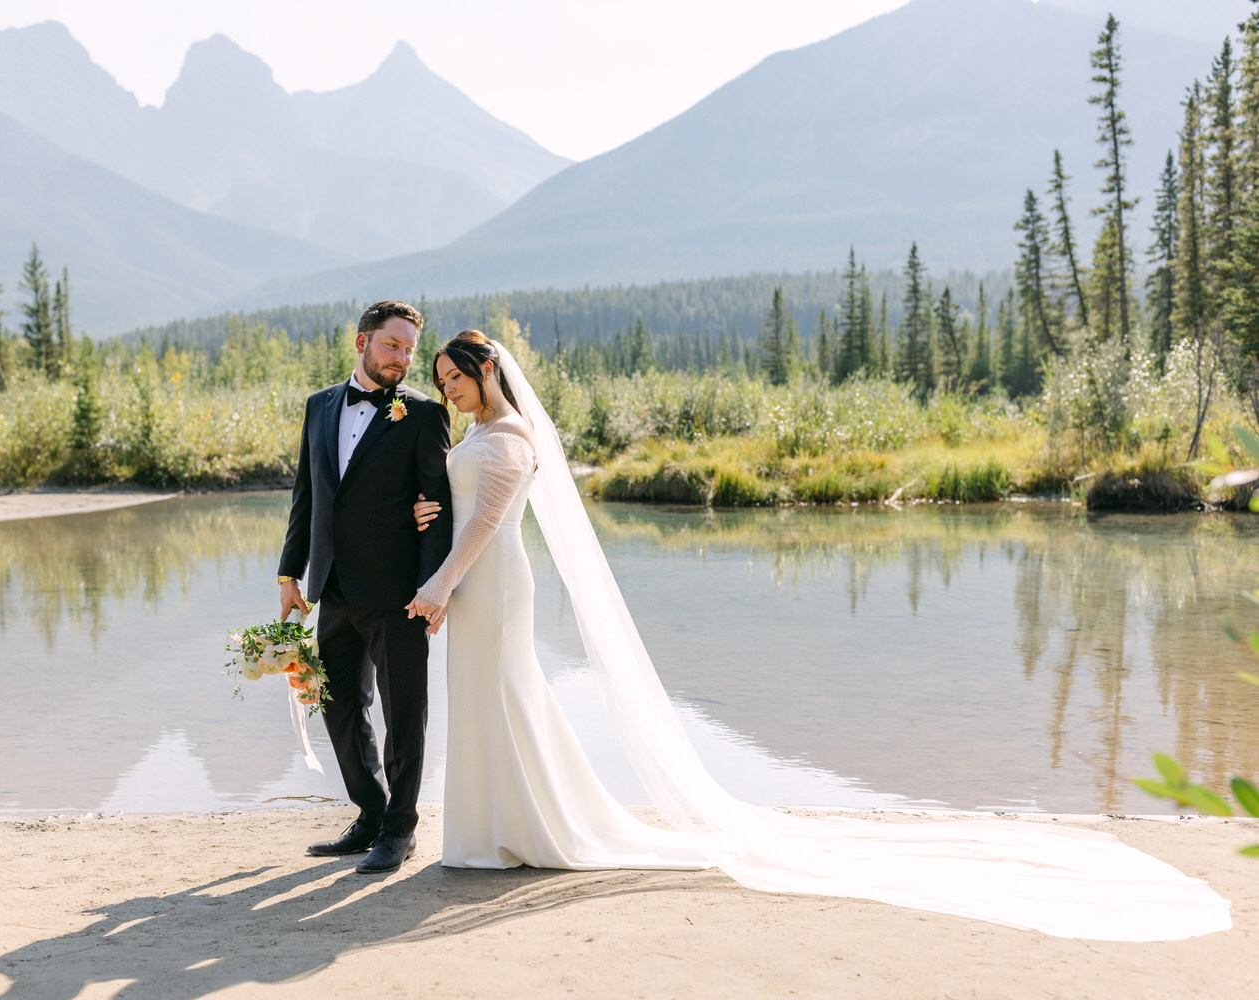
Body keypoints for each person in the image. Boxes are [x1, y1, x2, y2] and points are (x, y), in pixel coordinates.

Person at [404, 329, 1231, 942]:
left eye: (458, 378)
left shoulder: (509, 437)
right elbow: (462, 511)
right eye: (443, 383)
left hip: (493, 584)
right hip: (472, 584)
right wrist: (427, 519)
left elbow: (489, 526)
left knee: (505, 695)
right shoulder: (475, 437)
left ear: (488, 373)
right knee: (491, 699)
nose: (452, 392)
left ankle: (519, 830)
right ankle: (491, 827)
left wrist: (441, 579)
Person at [277, 300, 453, 875]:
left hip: (399, 593)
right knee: (336, 703)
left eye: (409, 349)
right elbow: (308, 497)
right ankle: (371, 812)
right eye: (392, 345)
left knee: (406, 712)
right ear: (362, 342)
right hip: (333, 588)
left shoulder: (425, 415)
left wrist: (432, 588)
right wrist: (289, 575)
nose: (403, 358)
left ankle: (401, 829)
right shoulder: (319, 405)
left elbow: (438, 510)